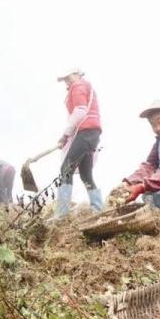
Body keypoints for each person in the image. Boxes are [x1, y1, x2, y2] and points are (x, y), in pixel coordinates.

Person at [54, 68, 103, 218]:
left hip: (86, 132)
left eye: (68, 78)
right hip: (92, 133)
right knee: (86, 175)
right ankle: (98, 210)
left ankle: (62, 215)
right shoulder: (86, 86)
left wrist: (65, 135)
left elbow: (80, 110)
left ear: (77, 74)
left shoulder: (78, 86)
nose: (67, 82)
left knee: (65, 170)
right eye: (64, 80)